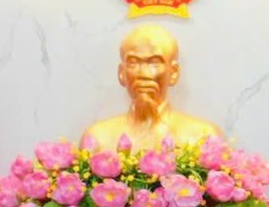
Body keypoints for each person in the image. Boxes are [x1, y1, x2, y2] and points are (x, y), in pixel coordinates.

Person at [82, 24, 221, 152]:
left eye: (155, 62)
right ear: (121, 73)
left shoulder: (202, 137)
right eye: (133, 62)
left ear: (173, 73)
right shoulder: (98, 138)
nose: (143, 74)